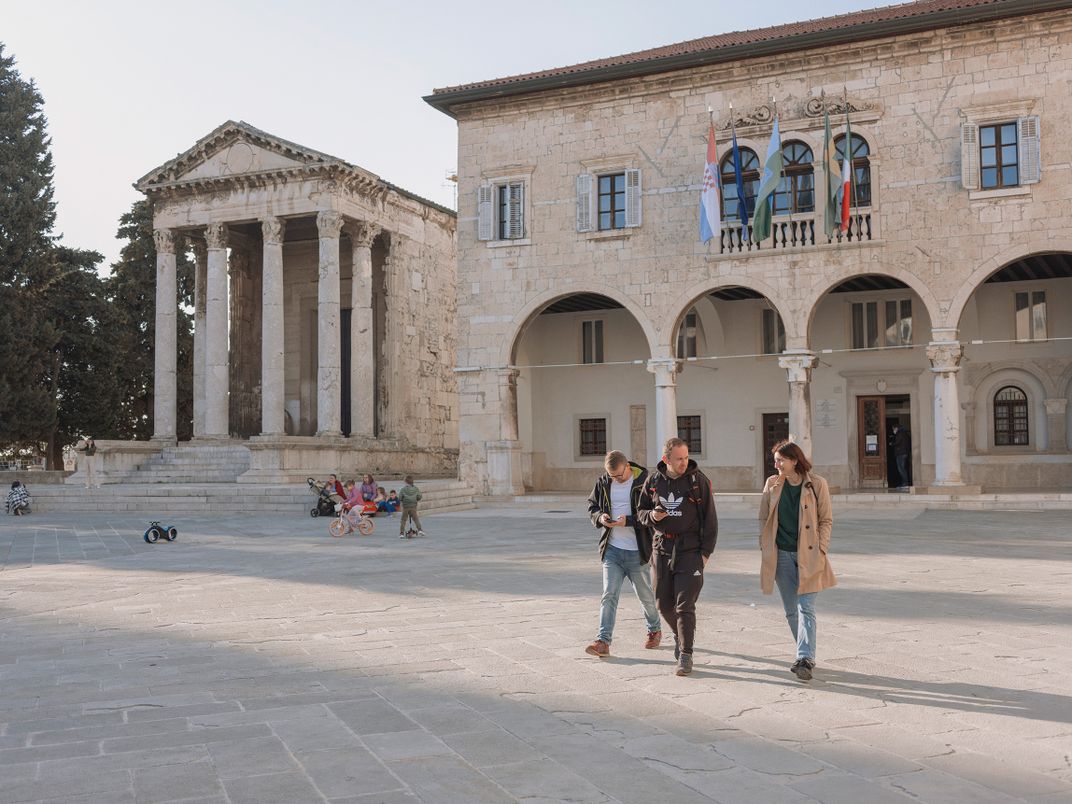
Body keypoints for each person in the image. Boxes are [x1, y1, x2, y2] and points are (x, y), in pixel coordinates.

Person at [637, 437, 718, 676]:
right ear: (666, 459)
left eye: (686, 457)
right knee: (663, 604)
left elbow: (711, 519)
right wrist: (652, 516)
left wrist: (705, 553)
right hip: (661, 548)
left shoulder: (698, 481)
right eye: (679, 459)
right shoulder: (653, 481)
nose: (684, 462)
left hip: (690, 551)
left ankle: (686, 654)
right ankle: (679, 636)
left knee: (685, 606)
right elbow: (640, 511)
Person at [758, 440, 836, 682]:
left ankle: (804, 658)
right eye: (775, 460)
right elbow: (763, 517)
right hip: (780, 554)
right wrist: (765, 543)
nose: (777, 464)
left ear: (794, 460)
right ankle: (804, 654)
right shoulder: (772, 484)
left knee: (806, 607)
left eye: (781, 459)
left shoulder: (817, 484)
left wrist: (821, 549)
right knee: (792, 611)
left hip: (809, 555)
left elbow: (826, 519)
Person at [584, 450, 661, 658]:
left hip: (638, 550)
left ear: (628, 466)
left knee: (645, 597)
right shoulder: (603, 482)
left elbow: (653, 514)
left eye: (619, 475)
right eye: (612, 476)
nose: (616, 479)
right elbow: (592, 506)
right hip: (613, 550)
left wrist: (629, 520)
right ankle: (603, 641)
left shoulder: (645, 481)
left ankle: (654, 629)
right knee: (609, 596)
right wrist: (601, 518)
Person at [889, 425, 911, 489]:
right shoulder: (904, 433)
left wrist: (891, 444)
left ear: (896, 428)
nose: (893, 431)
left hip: (901, 453)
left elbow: (898, 442)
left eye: (893, 429)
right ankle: (904, 482)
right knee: (902, 468)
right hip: (903, 453)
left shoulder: (900, 433)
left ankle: (905, 483)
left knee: (901, 469)